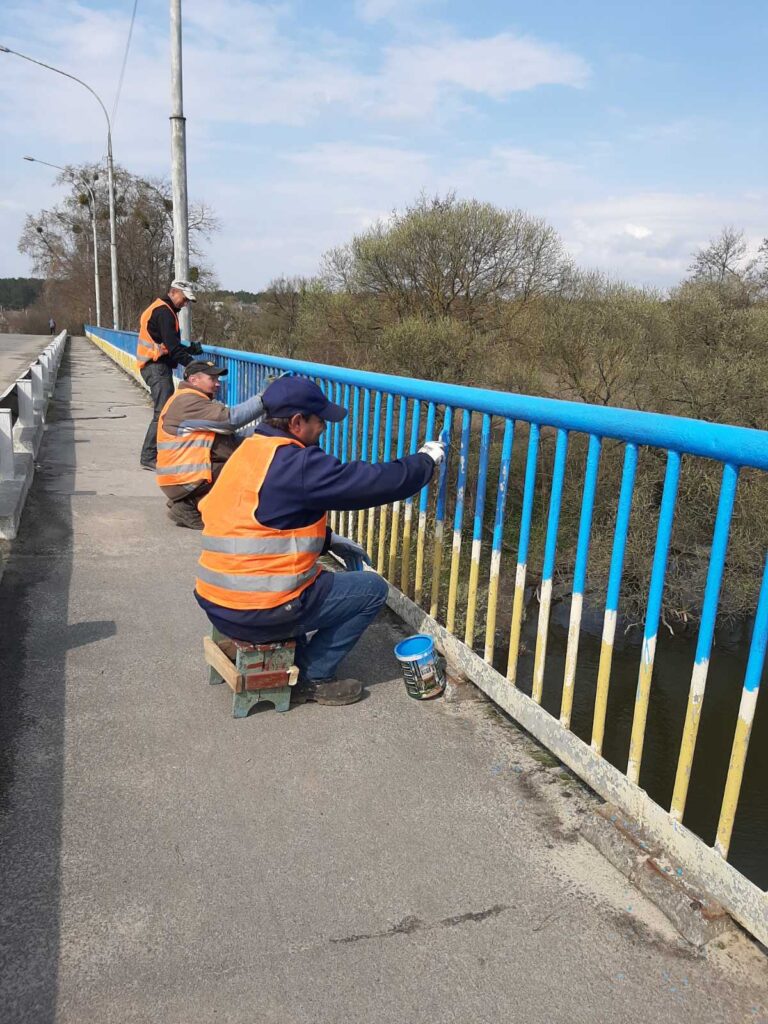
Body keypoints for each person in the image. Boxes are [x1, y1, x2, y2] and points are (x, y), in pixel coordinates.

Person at [194, 376, 447, 706]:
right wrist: (425, 461)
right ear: (297, 422)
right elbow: (370, 483)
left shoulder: (249, 451)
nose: (324, 428)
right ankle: (313, 677)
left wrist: (328, 539)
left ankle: (291, 642)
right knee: (372, 590)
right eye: (320, 421)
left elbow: (261, 520)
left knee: (317, 581)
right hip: (257, 611)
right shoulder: (296, 462)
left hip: (216, 603)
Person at [156, 359, 266, 529]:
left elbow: (232, 437)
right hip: (183, 479)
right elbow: (231, 420)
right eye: (212, 379)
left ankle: (189, 500)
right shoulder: (188, 401)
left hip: (179, 477)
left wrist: (267, 429)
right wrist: (264, 398)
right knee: (246, 467)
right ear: (194, 380)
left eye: (218, 379)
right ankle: (190, 504)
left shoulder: (191, 399)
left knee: (239, 454)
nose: (218, 384)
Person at [137, 280, 203, 471]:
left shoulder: (162, 309)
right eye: (184, 299)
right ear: (174, 292)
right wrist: (193, 364)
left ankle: (156, 454)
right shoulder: (164, 312)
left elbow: (166, 343)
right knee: (162, 413)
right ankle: (148, 456)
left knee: (164, 411)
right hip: (155, 367)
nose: (186, 303)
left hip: (155, 365)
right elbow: (172, 348)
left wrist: (188, 349)